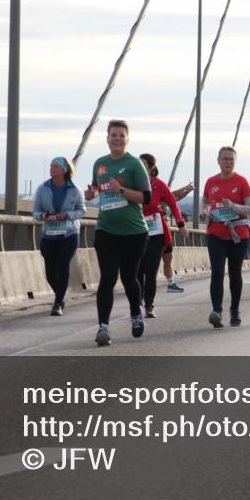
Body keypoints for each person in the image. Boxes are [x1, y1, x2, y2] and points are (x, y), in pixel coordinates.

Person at [83, 120, 151, 347]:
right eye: (114, 135)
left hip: (134, 232)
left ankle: (135, 312)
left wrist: (121, 189)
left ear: (127, 139)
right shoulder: (100, 164)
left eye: (122, 135)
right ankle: (103, 327)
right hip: (106, 229)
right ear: (107, 138)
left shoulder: (134, 164)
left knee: (129, 278)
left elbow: (147, 198)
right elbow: (96, 188)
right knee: (108, 278)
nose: (117, 139)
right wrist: (92, 193)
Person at [200, 146, 250, 328]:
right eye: (225, 159)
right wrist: (204, 212)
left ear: (235, 161)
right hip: (216, 233)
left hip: (238, 234)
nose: (228, 162)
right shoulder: (211, 182)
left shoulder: (242, 181)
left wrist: (232, 205)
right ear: (218, 161)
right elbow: (205, 203)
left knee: (234, 274)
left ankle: (235, 310)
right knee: (217, 272)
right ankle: (217, 311)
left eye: (231, 159)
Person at [33, 157, 85, 316]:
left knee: (62, 266)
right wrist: (43, 216)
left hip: (69, 234)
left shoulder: (75, 189)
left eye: (55, 166)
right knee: (50, 273)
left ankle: (57, 304)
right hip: (49, 235)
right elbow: (35, 212)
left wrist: (66, 215)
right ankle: (60, 296)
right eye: (51, 165)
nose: (51, 168)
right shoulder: (42, 188)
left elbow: (82, 211)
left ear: (64, 170)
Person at [137, 153, 188, 319]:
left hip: (156, 232)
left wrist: (180, 224)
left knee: (151, 270)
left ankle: (149, 305)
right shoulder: (132, 182)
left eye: (143, 164)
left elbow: (173, 204)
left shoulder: (158, 184)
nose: (140, 167)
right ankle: (137, 302)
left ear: (151, 168)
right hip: (135, 230)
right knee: (137, 270)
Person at [161, 181, 194, 293]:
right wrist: (186, 187)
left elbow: (176, 197)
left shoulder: (166, 199)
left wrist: (188, 190)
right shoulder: (154, 195)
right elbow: (173, 194)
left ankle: (171, 283)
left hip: (164, 230)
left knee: (168, 258)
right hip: (152, 231)